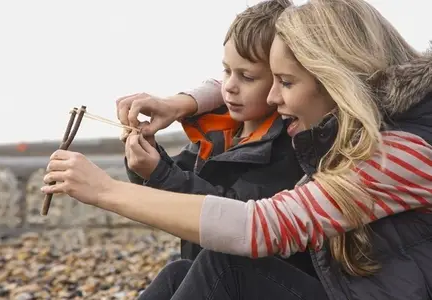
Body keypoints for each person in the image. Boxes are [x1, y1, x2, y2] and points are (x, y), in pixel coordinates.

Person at [41, 0, 432, 299]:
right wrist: (183, 103)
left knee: (226, 266)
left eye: (286, 82)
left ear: (335, 80)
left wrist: (106, 190)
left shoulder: (397, 153)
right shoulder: (380, 127)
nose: (274, 97)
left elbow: (261, 227)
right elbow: (235, 83)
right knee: (182, 271)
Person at [123, 0, 306, 263]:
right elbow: (174, 182)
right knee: (175, 271)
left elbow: (230, 216)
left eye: (247, 77)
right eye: (227, 71)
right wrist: (145, 155)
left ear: (281, 78)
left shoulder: (287, 146)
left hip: (243, 279)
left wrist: (159, 173)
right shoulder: (220, 130)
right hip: (202, 269)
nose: (229, 86)